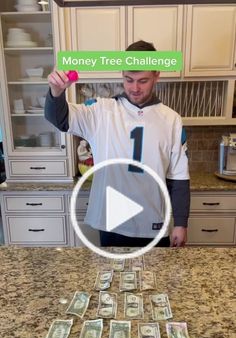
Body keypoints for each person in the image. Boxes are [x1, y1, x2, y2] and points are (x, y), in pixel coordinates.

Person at [45, 40, 190, 248]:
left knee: (155, 279)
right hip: (111, 221)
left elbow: (179, 177)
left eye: (143, 80)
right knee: (112, 278)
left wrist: (181, 223)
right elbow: (59, 118)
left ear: (157, 75)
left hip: (154, 221)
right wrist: (55, 92)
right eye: (128, 79)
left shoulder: (172, 120)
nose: (135, 88)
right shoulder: (100, 111)